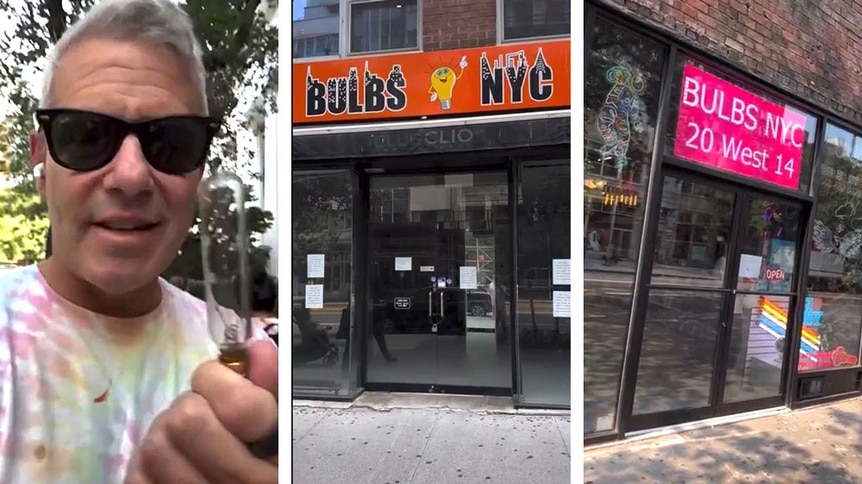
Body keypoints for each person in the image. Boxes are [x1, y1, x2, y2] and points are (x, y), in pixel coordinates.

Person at [0, 0, 278, 482]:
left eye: (171, 141)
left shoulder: (252, 369)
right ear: (42, 164)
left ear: (198, 172)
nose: (131, 177)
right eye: (86, 135)